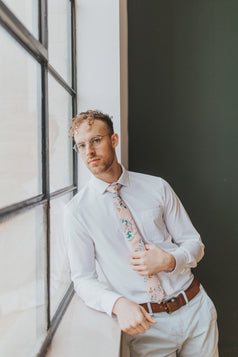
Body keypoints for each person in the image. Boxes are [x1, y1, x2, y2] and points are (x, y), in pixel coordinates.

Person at [64, 110, 219, 357]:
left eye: (96, 140)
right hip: (146, 327)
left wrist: (170, 261)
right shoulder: (77, 211)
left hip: (195, 310)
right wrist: (117, 304)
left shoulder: (157, 187)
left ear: (113, 140)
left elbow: (194, 244)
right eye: (81, 145)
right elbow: (82, 278)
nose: (89, 152)